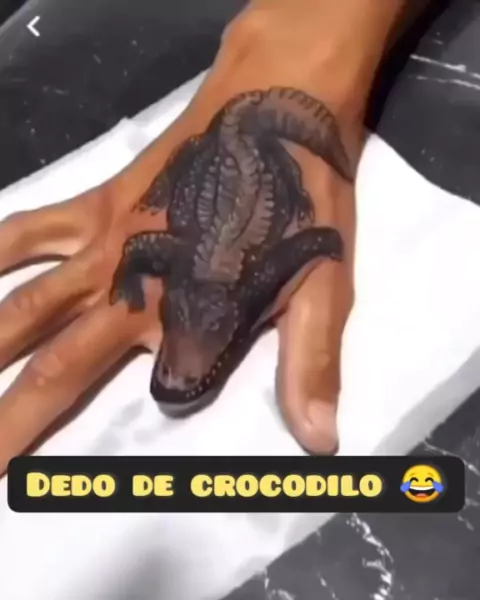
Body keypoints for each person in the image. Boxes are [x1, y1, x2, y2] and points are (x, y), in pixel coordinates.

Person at [0, 0, 429, 475]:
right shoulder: (215, 271)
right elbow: (312, 242)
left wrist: (308, 43)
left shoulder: (232, 272)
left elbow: (314, 241)